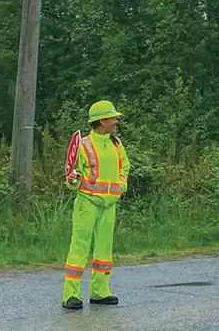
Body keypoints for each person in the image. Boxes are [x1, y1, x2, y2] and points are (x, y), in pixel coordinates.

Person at [62, 100, 131, 310]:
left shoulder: (116, 144)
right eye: (113, 118)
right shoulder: (84, 145)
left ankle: (100, 292)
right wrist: (73, 180)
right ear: (102, 121)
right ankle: (71, 295)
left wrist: (121, 186)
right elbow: (72, 174)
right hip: (87, 203)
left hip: (109, 205)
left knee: (104, 249)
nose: (116, 121)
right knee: (79, 247)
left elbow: (125, 167)